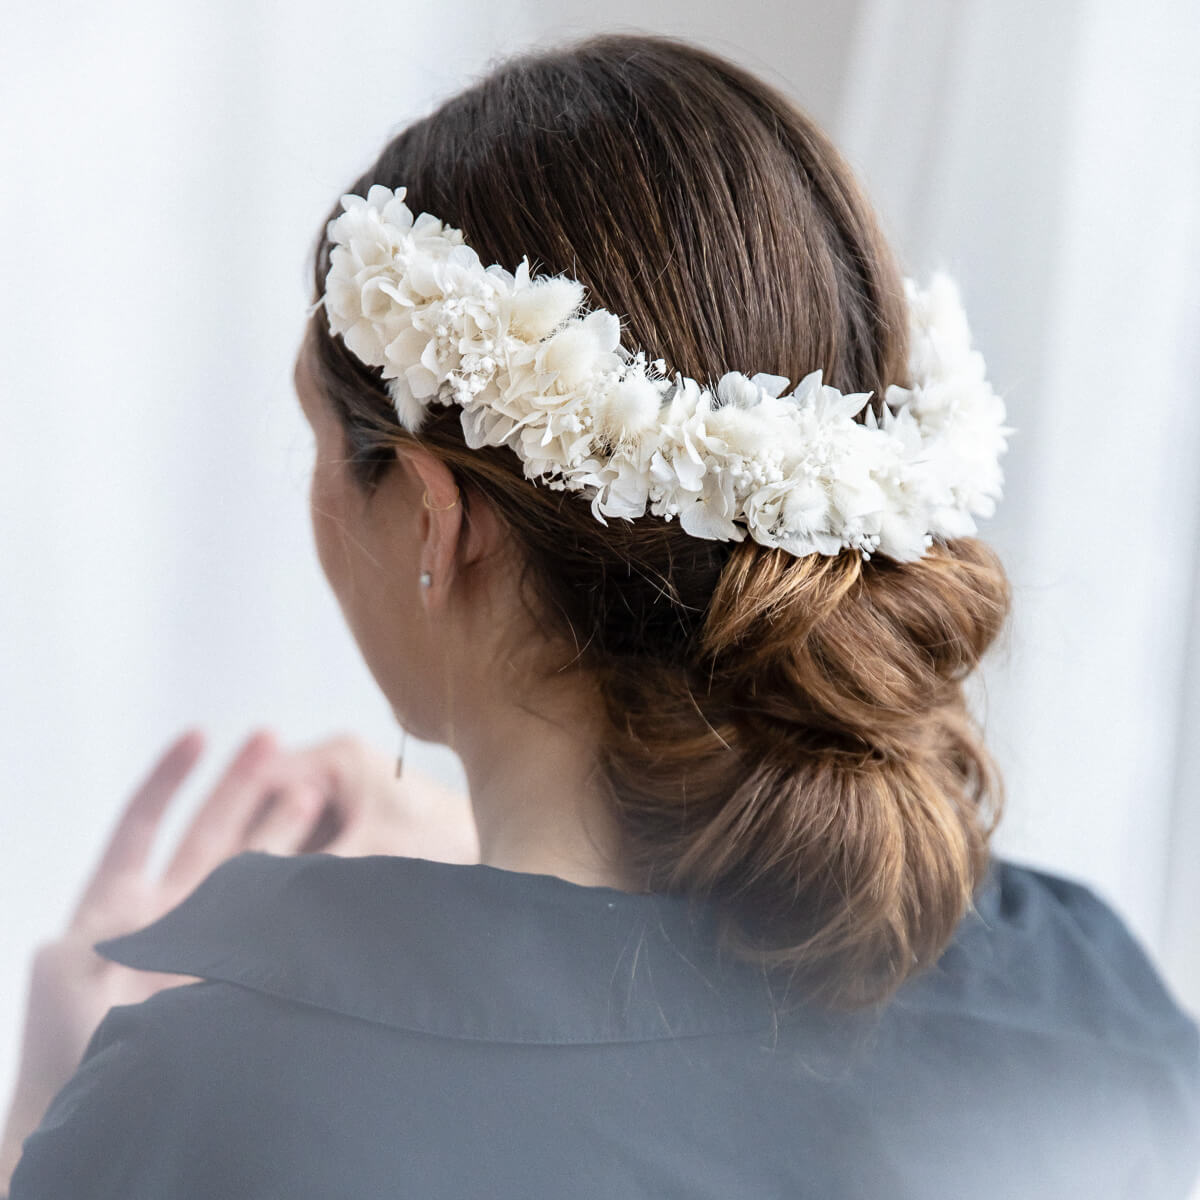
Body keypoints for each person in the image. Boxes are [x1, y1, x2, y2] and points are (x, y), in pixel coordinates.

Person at [4, 31, 1199, 1199]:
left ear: (432, 518)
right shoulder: (1101, 1010)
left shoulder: (213, 1111)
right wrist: (485, 902)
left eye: (321, 442)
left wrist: (48, 1130)